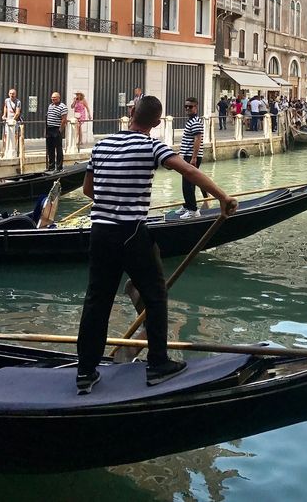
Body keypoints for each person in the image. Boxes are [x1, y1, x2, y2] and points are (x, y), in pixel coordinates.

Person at [76, 95, 237, 394]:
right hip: (132, 233)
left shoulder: (101, 144)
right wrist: (223, 198)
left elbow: (88, 190)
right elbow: (189, 171)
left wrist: (113, 202)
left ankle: (85, 372)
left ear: (131, 113)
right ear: (157, 122)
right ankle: (158, 364)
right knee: (155, 296)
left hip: (100, 233)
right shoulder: (153, 145)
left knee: (97, 302)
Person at [175, 97, 204, 219]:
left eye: (190, 106)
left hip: (191, 156)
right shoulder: (191, 121)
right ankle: (188, 206)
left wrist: (193, 157)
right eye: (186, 106)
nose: (187, 108)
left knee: (187, 183)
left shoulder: (196, 121)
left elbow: (198, 139)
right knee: (189, 183)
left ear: (196, 107)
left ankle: (193, 210)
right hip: (187, 155)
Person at [46, 92, 68, 172]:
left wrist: (60, 130)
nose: (53, 99)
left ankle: (59, 167)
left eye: (54, 98)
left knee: (58, 149)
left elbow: (64, 119)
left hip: (56, 129)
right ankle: (51, 166)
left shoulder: (63, 107)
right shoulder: (50, 106)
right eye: (52, 97)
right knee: (50, 149)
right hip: (49, 129)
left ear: (59, 98)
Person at [2, 88, 22, 154]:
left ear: (15, 94)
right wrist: (4, 115)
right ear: (8, 94)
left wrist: (13, 119)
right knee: (5, 134)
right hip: (8, 119)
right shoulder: (7, 100)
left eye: (13, 94)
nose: (11, 95)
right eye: (10, 93)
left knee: (15, 134)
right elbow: (5, 107)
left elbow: (17, 112)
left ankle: (14, 148)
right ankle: (5, 149)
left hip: (14, 120)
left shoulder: (18, 102)